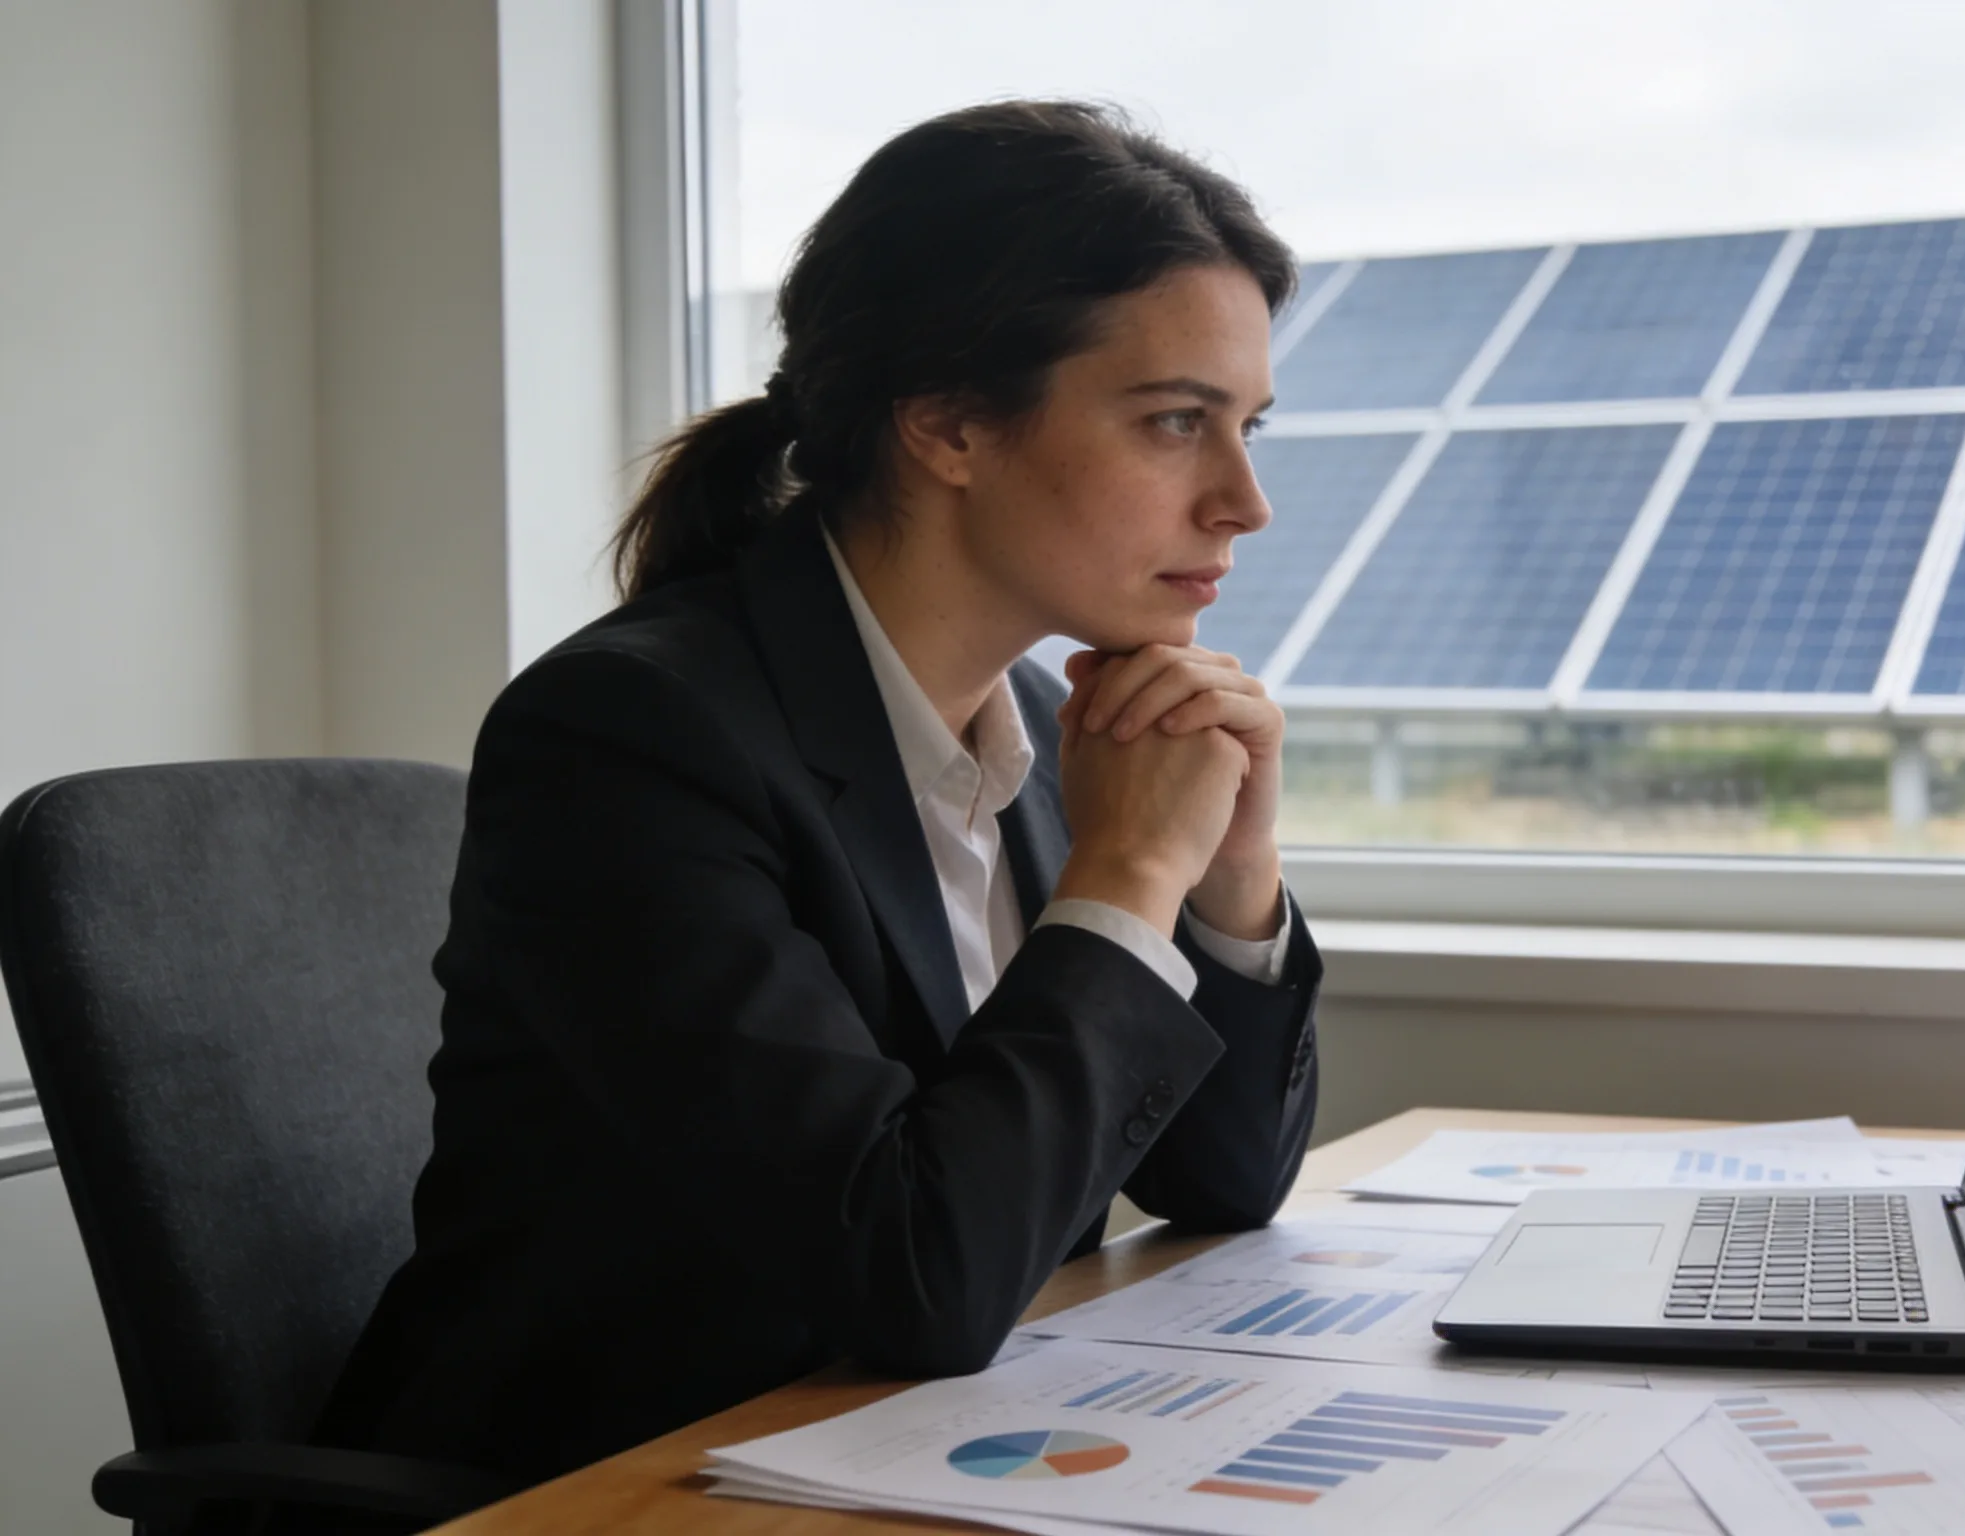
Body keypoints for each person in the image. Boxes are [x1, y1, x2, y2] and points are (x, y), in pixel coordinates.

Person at [315, 100, 1320, 1487]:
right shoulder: (630, 737)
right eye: (1174, 423)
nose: (1244, 500)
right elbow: (914, 1279)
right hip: (624, 1484)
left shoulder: (1045, 722)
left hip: (903, 1453)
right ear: (950, 423)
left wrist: (1228, 877)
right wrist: (1127, 880)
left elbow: (1225, 1185)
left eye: (1251, 426)